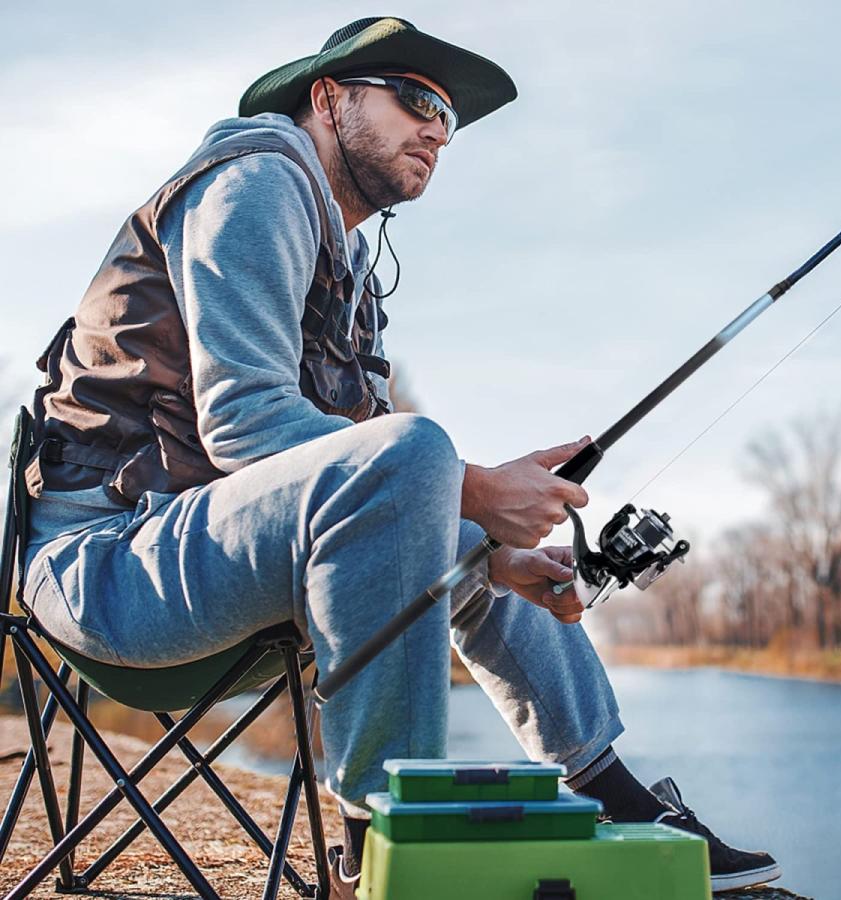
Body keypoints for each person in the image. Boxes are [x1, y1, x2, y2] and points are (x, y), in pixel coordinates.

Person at [22, 16, 781, 897]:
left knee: (451, 505)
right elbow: (244, 422)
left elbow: (374, 493)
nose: (435, 130)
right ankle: (386, 848)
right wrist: (475, 491)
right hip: (107, 569)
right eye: (415, 98)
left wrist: (493, 553)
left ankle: (612, 795)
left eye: (448, 121)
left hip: (216, 559)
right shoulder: (258, 182)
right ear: (330, 98)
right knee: (426, 459)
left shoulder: (351, 271)